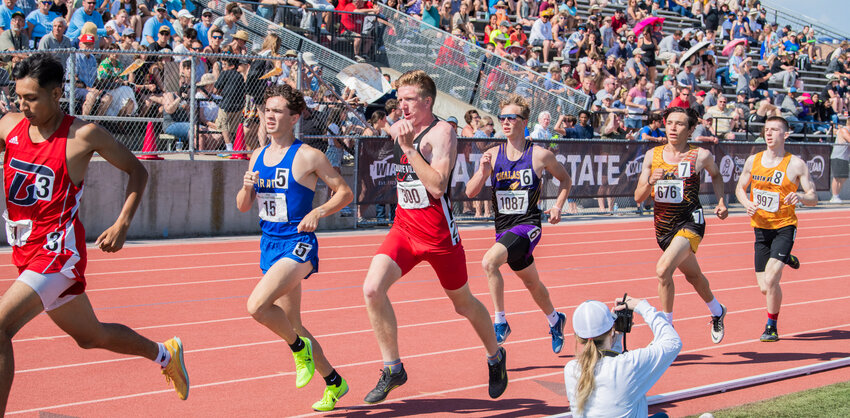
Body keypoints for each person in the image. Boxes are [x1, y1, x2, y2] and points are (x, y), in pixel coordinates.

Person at [0, 53, 189, 413]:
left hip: (57, 252)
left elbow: (138, 171)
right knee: (91, 336)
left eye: (32, 98)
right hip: (24, 248)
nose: (23, 106)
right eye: (18, 97)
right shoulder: (9, 125)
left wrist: (122, 223)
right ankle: (166, 354)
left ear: (57, 94)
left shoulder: (83, 135)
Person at [361, 70, 508, 404]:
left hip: (438, 235)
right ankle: (393, 367)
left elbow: (438, 185)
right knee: (372, 288)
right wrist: (394, 134)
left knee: (463, 304)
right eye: (399, 100)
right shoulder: (402, 128)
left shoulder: (443, 132)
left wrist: (409, 149)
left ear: (427, 101)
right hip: (404, 229)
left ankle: (495, 356)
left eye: (409, 100)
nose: (403, 106)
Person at [236, 84, 353, 411]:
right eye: (267, 111)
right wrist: (246, 189)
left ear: (294, 117)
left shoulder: (308, 156)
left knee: (257, 306)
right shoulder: (257, 155)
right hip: (269, 243)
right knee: (295, 324)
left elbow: (344, 193)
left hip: (299, 243)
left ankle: (297, 349)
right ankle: (334, 382)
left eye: (277, 111)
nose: (270, 117)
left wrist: (318, 212)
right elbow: (244, 206)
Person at [465, 94, 572, 352]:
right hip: (503, 228)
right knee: (532, 283)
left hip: (528, 225)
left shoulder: (540, 155)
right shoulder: (492, 154)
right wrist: (482, 172)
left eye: (511, 117)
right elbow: (470, 192)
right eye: (502, 117)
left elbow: (566, 181)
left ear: (524, 122)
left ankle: (500, 322)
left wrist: (557, 206)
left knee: (489, 262)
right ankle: (555, 320)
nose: (505, 122)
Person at [634, 107, 729, 343]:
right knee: (694, 276)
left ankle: (666, 332)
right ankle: (718, 311)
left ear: (691, 130)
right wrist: (650, 182)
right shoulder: (652, 156)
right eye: (669, 123)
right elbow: (638, 197)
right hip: (663, 228)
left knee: (663, 270)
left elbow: (716, 175)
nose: (673, 128)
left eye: (679, 124)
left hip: (690, 222)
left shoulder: (700, 156)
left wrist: (720, 201)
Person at [735, 116, 817, 342]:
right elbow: (740, 188)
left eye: (774, 130)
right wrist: (746, 203)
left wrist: (800, 196)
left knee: (771, 280)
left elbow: (814, 197)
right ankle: (786, 258)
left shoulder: (796, 164)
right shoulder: (754, 160)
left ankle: (771, 326)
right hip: (760, 229)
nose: (769, 134)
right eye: (766, 129)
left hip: (784, 227)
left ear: (786, 134)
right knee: (764, 287)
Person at [564, 297, 681, 417]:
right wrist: (642, 306)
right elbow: (673, 342)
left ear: (578, 337)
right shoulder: (629, 364)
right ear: (611, 330)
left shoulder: (570, 369)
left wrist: (617, 338)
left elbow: (606, 363)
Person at [830, 118, 850, 203]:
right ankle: (834, 196)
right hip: (838, 157)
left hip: (845, 157)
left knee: (843, 177)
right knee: (837, 177)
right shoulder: (844, 130)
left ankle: (837, 195)